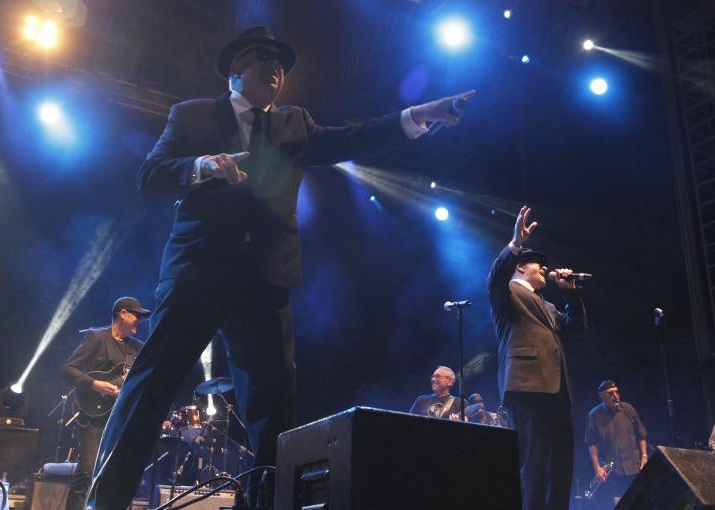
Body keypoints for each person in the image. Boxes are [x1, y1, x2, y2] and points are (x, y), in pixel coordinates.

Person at [88, 25, 475, 509]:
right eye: (262, 56)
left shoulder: (295, 123)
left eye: (282, 63)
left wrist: (418, 115)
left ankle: (265, 504)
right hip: (198, 271)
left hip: (265, 281)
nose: (276, 67)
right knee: (150, 384)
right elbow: (149, 175)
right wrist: (203, 166)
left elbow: (353, 138)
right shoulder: (192, 114)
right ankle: (105, 501)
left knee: (274, 406)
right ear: (235, 69)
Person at [487, 205, 587, 510]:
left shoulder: (547, 305)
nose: (544, 269)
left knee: (561, 466)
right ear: (520, 267)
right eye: (538, 265)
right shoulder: (507, 292)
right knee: (534, 464)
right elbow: (496, 276)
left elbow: (577, 329)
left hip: (557, 390)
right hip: (527, 387)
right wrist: (516, 244)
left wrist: (570, 292)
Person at [59, 297, 149, 510]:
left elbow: (143, 380)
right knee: (86, 472)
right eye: (136, 315)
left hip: (120, 419)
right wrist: (95, 384)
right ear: (122, 313)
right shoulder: (97, 337)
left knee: (116, 476)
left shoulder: (138, 348)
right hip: (94, 417)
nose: (139, 320)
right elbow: (68, 369)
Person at [584, 380, 648, 508]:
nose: (615, 395)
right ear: (602, 396)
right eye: (610, 393)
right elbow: (591, 444)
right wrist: (597, 468)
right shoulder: (594, 416)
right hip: (613, 472)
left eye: (616, 392)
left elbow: (641, 435)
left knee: (639, 503)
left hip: (634, 468)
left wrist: (644, 456)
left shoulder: (628, 409)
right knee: (619, 504)